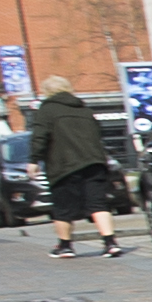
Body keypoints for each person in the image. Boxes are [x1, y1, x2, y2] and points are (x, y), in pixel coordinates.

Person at [26, 77, 124, 258]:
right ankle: (110, 243)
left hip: (64, 166)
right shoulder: (84, 110)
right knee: (98, 204)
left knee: (63, 207)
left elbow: (40, 136)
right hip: (94, 162)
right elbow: (98, 133)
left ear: (46, 92)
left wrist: (34, 160)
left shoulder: (47, 110)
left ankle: (65, 246)